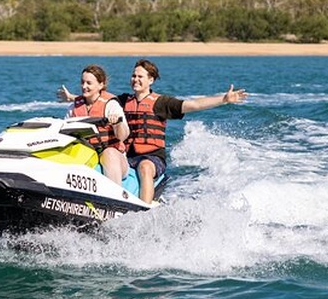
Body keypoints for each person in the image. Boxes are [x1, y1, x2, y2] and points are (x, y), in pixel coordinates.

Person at [59, 59, 247, 203]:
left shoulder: (161, 103)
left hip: (152, 157)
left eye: (140, 77)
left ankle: (143, 210)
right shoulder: (123, 101)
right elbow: (98, 98)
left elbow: (194, 104)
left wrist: (223, 99)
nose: (135, 80)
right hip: (127, 156)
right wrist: (72, 98)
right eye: (134, 76)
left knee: (145, 167)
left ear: (151, 80)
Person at [65, 64, 130, 186]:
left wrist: (117, 123)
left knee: (109, 153)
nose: (84, 86)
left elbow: (123, 136)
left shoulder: (111, 105)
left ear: (101, 85)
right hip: (87, 154)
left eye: (89, 83)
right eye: (82, 82)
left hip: (114, 157)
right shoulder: (74, 107)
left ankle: (114, 199)